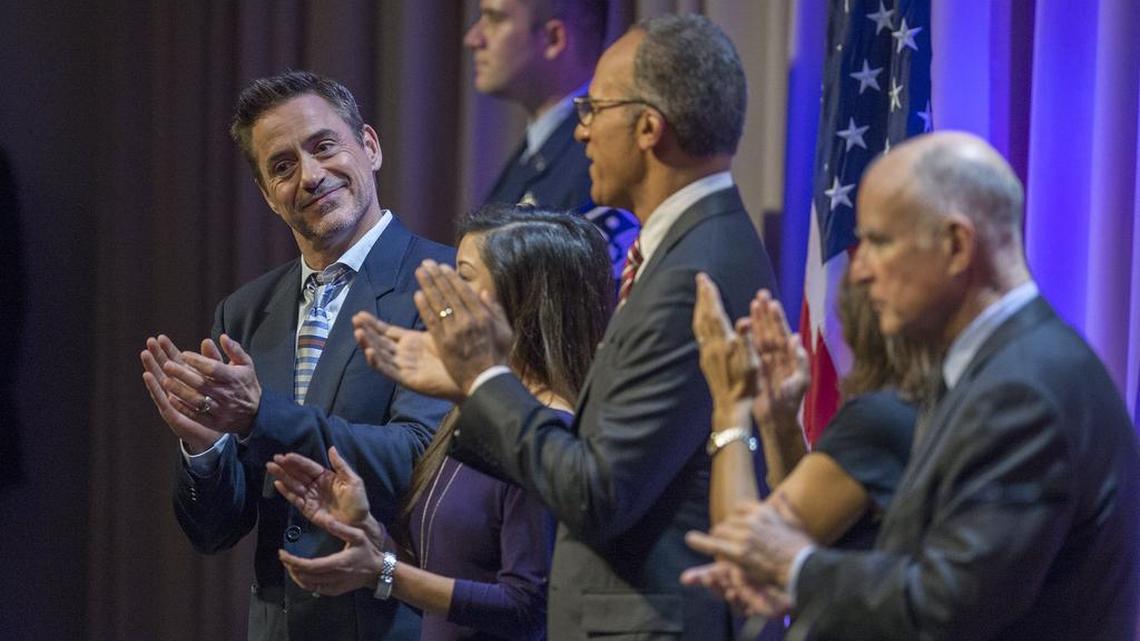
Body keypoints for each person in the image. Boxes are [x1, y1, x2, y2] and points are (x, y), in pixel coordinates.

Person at [401, 14, 778, 641]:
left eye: (594, 108)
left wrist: (487, 379)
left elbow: (599, 493)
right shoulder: (692, 246)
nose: (581, 130)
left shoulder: (695, 270)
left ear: (649, 128)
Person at [685, 132, 1140, 641]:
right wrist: (801, 580)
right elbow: (926, 567)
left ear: (956, 245)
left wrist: (799, 568)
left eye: (878, 242)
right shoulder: (994, 369)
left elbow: (951, 604)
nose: (858, 271)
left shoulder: (1022, 389)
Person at [139, 71, 454, 641]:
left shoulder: (443, 283)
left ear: (371, 147)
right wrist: (203, 446)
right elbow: (215, 533)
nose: (309, 177)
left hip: (399, 623)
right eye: (282, 166)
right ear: (266, 193)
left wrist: (261, 417)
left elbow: (419, 461)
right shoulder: (245, 311)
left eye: (323, 146)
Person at [265, 205, 615, 641]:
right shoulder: (482, 413)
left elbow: (529, 609)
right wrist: (372, 537)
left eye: (462, 281)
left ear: (519, 299)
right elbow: (454, 578)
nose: (435, 302)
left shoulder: (546, 432)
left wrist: (385, 571)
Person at [681, 271, 935, 617]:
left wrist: (730, 407)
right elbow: (812, 526)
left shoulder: (881, 420)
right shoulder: (929, 407)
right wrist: (780, 426)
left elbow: (742, 561)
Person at [465, 0, 638, 278]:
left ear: (554, 38)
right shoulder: (536, 151)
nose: (473, 38)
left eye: (495, 19)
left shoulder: (597, 159)